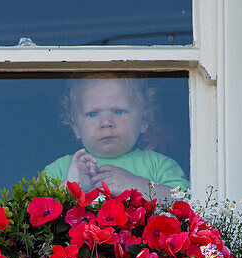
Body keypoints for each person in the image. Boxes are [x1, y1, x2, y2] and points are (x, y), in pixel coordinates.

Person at [43, 75, 190, 197]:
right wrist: (71, 186)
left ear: (144, 120)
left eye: (118, 111)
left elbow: (187, 204)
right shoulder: (60, 169)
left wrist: (137, 186)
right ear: (75, 126)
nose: (106, 122)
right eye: (92, 114)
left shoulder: (159, 166)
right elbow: (32, 214)